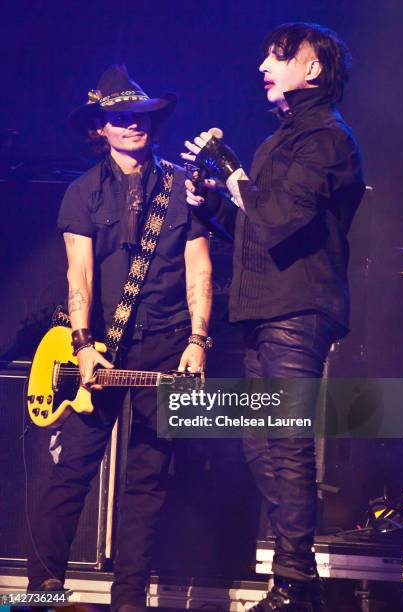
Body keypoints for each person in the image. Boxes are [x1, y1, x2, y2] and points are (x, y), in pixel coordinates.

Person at [182, 22, 365, 611]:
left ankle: (291, 586)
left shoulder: (327, 139)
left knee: (285, 444)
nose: (264, 63)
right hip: (263, 311)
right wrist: (213, 201)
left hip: (299, 312)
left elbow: (279, 215)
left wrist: (235, 178)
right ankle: (298, 584)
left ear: (312, 71)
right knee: (259, 445)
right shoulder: (279, 141)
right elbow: (257, 229)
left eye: (279, 55)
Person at [27, 64, 212, 612]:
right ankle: (40, 595)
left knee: (150, 478)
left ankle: (129, 600)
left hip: (169, 342)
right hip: (101, 347)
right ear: (100, 129)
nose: (133, 125)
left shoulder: (184, 187)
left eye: (141, 116)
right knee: (70, 475)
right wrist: (83, 344)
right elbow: (78, 274)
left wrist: (199, 339)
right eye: (120, 118)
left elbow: (199, 269)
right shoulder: (82, 193)